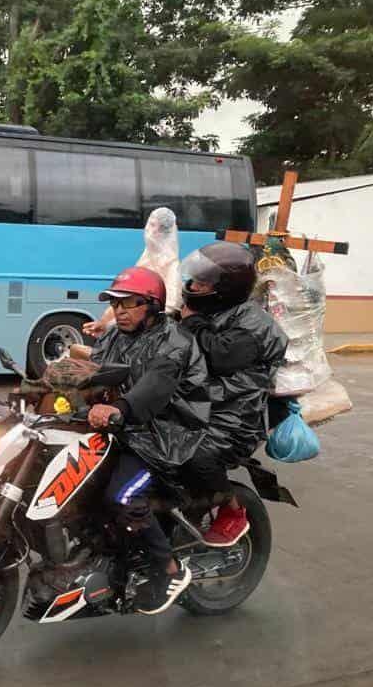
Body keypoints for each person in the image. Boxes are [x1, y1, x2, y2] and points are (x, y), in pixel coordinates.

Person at [87, 266, 211, 615]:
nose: (121, 311)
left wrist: (119, 408)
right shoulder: (114, 336)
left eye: (130, 304)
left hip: (167, 432)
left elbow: (155, 385)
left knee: (122, 494)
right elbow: (94, 372)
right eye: (116, 304)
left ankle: (170, 569)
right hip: (127, 425)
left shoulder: (175, 341)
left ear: (153, 306)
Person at [177, 242, 289, 547]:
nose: (195, 285)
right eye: (196, 278)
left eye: (204, 282)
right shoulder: (212, 310)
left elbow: (217, 356)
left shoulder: (255, 325)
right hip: (202, 404)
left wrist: (190, 322)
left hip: (235, 418)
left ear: (225, 289)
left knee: (193, 455)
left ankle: (232, 509)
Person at [83, 207, 183, 339]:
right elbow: (124, 298)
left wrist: (113, 325)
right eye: (148, 224)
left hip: (152, 339)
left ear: (162, 231)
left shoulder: (172, 266)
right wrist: (104, 323)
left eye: (153, 225)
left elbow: (169, 307)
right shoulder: (146, 258)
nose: (147, 229)